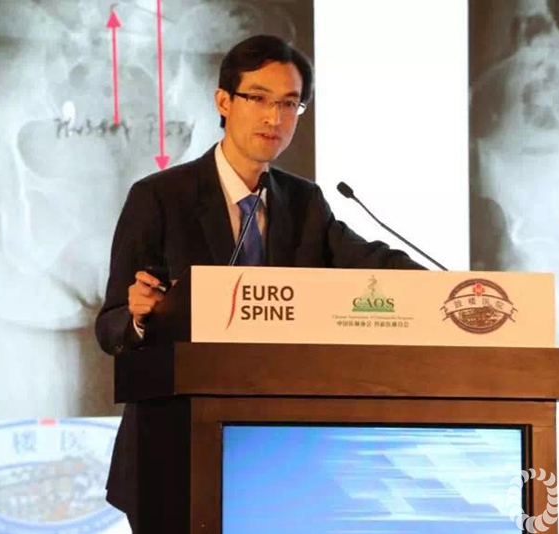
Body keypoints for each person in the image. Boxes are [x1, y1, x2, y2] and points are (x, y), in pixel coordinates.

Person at [95, 34, 422, 531]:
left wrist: (445, 292)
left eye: (290, 104)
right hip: (172, 450)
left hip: (277, 456)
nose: (275, 117)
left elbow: (369, 262)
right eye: (259, 98)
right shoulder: (160, 197)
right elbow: (110, 326)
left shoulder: (303, 202)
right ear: (224, 101)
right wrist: (138, 316)